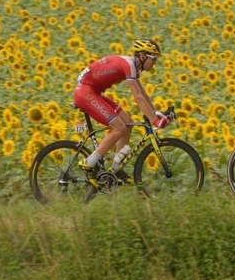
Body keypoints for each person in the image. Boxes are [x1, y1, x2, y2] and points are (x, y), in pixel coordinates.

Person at [73, 39, 171, 187]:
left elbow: (143, 94)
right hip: (86, 92)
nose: (155, 63)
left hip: (93, 91)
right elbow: (137, 97)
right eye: (153, 59)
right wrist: (155, 121)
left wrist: (155, 114)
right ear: (143, 56)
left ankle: (116, 168)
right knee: (119, 128)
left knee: (128, 123)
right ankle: (89, 163)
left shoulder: (134, 67)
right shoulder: (129, 65)